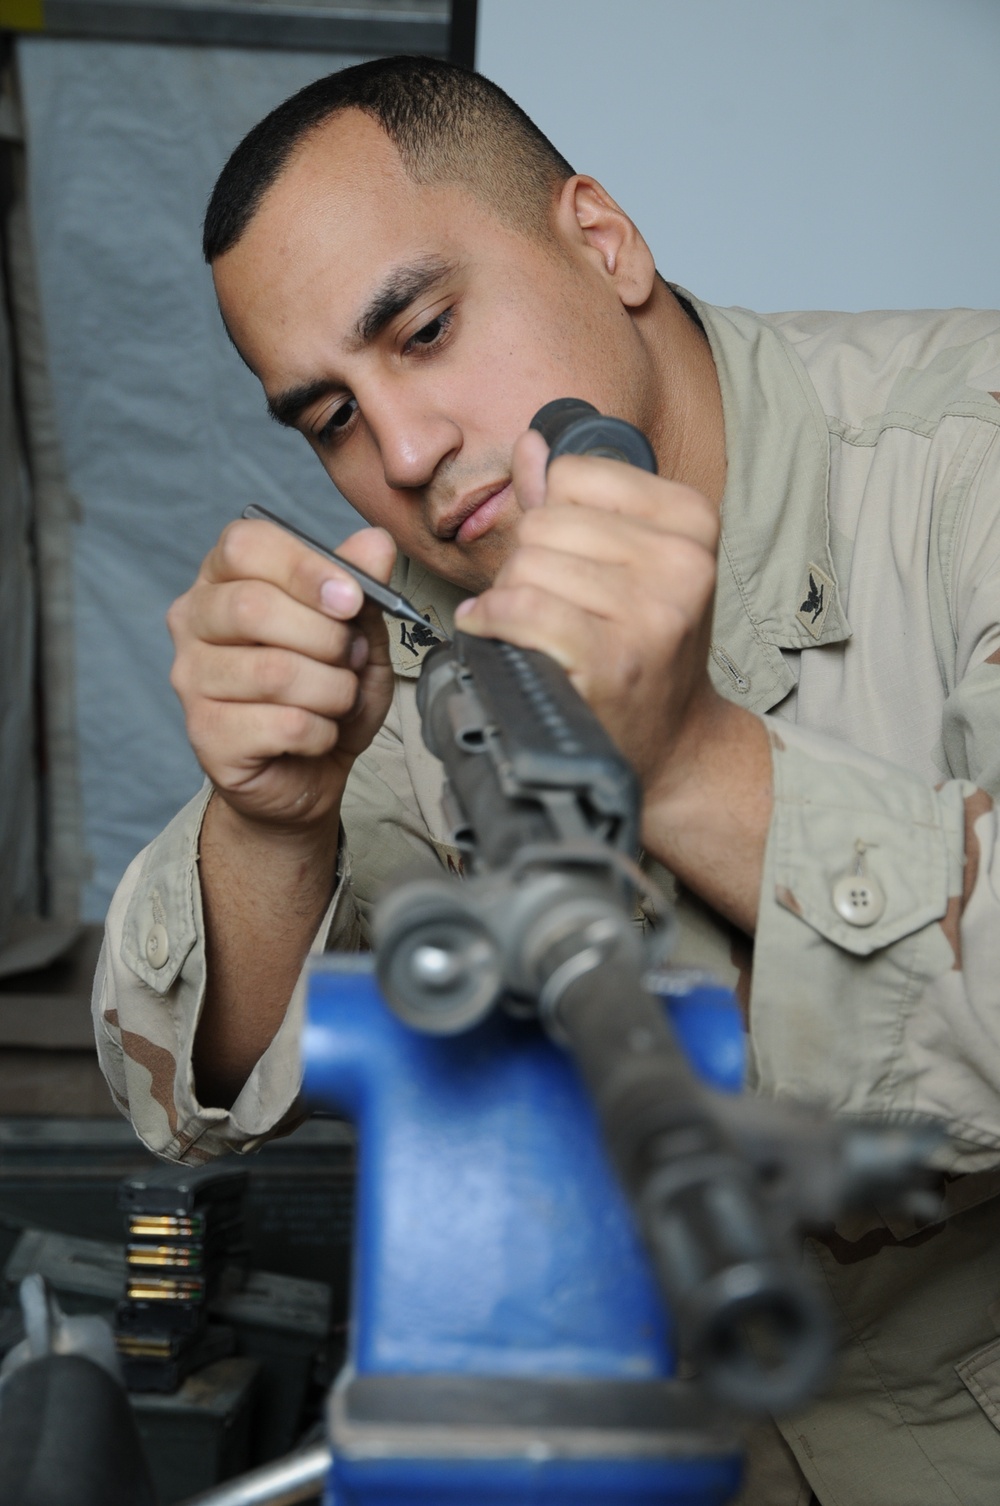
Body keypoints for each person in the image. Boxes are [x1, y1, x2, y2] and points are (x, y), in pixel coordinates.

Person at [92, 55, 1000, 1506]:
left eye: (430, 329)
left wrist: (692, 756)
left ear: (603, 237)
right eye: (328, 416)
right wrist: (270, 824)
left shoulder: (969, 462)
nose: (403, 450)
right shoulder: (445, 620)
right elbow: (187, 1107)